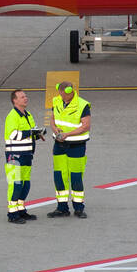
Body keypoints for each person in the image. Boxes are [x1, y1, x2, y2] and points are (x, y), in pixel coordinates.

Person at [46, 81, 91, 218]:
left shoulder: (82, 105)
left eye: (68, 93)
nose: (64, 95)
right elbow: (52, 119)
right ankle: (62, 208)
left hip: (76, 145)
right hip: (59, 144)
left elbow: (85, 126)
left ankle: (78, 208)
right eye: (62, 93)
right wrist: (55, 129)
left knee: (76, 176)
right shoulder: (57, 101)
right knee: (59, 176)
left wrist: (67, 134)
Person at [4, 88, 47, 224]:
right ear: (14, 100)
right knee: (16, 184)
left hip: (27, 155)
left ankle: (21, 210)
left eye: (25, 96)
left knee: (25, 184)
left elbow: (30, 133)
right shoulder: (12, 116)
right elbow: (13, 135)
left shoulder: (28, 115)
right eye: (22, 97)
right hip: (15, 156)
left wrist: (39, 133)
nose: (25, 98)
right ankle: (12, 214)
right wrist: (30, 132)